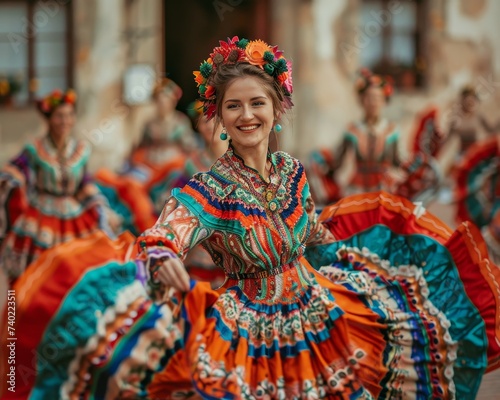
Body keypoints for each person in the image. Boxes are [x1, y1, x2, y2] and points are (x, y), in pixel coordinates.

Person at [2, 38, 499, 399]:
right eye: (232, 106)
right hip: (253, 336)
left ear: (276, 108)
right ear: (217, 117)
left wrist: (377, 256)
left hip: (325, 312)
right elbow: (165, 233)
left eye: (257, 103)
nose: (246, 116)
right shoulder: (209, 189)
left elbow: (317, 237)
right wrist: (160, 256)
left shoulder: (292, 172)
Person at [0, 89, 119, 282]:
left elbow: (84, 183)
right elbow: (15, 172)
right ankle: (23, 310)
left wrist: (101, 208)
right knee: (36, 273)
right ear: (48, 119)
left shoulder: (80, 150)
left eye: (69, 115)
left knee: (78, 268)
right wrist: (10, 180)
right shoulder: (35, 148)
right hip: (41, 215)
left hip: (73, 214)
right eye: (59, 116)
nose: (65, 121)